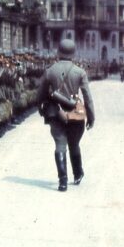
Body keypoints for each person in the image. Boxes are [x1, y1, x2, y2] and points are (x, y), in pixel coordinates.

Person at [37, 39, 95, 192]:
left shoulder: (50, 70)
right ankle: (77, 174)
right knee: (74, 144)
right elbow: (87, 97)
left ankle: (62, 181)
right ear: (73, 53)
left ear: (59, 52)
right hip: (75, 114)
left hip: (55, 113)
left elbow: (40, 93)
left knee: (60, 145)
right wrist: (91, 116)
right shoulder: (80, 72)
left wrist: (40, 109)